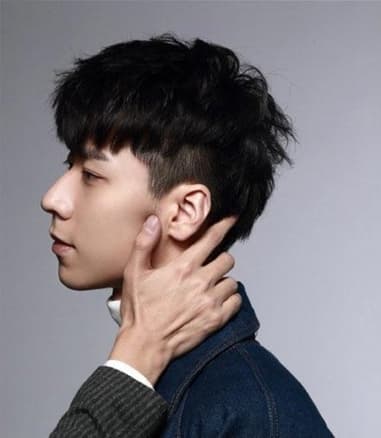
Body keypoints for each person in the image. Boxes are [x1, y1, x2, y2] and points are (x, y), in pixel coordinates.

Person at [42, 35, 331, 437]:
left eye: (91, 174)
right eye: (69, 165)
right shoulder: (158, 378)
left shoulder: (249, 410)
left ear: (184, 211)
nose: (53, 198)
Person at [51, 216, 242, 437]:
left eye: (90, 191)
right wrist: (139, 348)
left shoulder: (242, 407)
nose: (50, 201)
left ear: (185, 211)